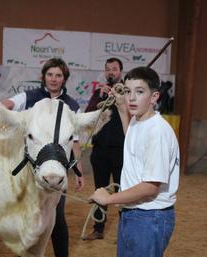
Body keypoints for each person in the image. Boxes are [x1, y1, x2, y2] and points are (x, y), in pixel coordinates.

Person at [89, 66, 180, 257]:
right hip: (134, 212)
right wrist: (122, 108)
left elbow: (150, 187)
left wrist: (108, 199)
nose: (131, 97)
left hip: (149, 216)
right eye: (128, 91)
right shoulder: (138, 120)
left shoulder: (157, 132)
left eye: (139, 92)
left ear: (154, 97)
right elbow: (130, 137)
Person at [1, 58, 84, 257]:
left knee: (57, 218)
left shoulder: (72, 105)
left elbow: (75, 143)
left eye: (58, 75)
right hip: (27, 173)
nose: (54, 79)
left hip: (57, 171)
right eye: (50, 74)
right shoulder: (28, 97)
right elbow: (7, 105)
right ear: (43, 76)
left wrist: (78, 171)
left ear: (64, 79)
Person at [83, 57, 125, 240]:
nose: (111, 73)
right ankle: (98, 230)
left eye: (114, 69)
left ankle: (125, 232)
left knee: (123, 193)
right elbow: (87, 116)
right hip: (99, 150)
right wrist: (98, 96)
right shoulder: (99, 93)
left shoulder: (127, 92)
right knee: (100, 190)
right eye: (108, 69)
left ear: (120, 72)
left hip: (121, 151)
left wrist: (120, 98)